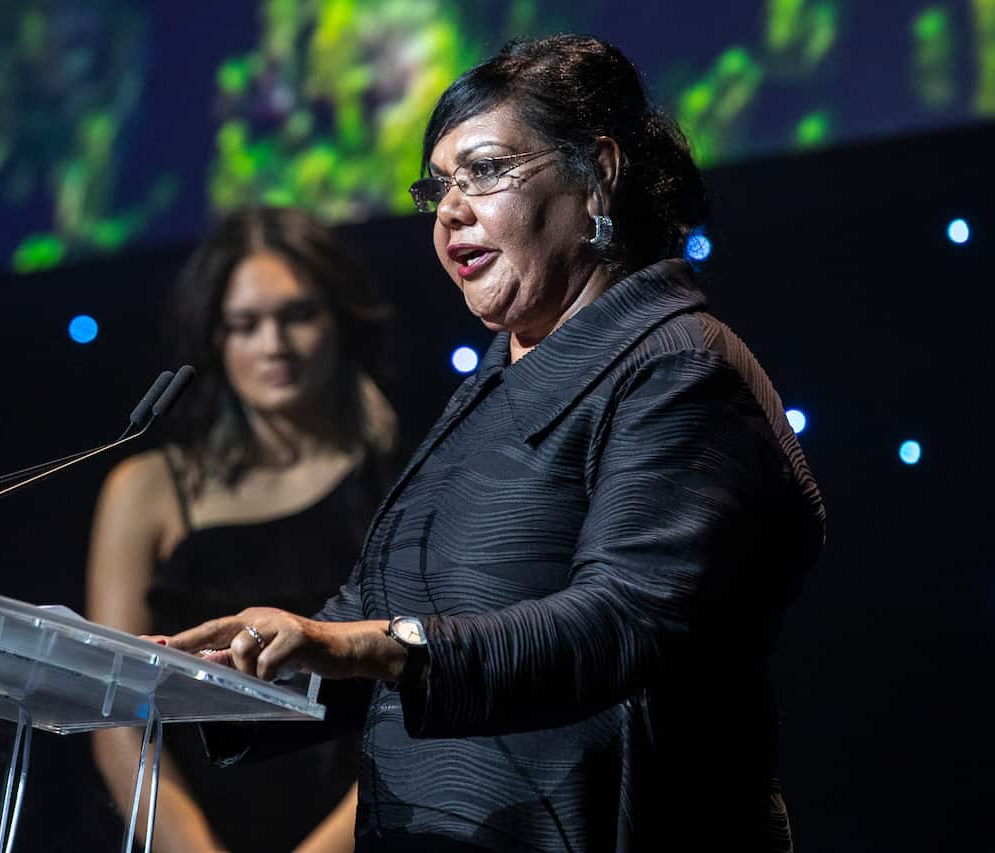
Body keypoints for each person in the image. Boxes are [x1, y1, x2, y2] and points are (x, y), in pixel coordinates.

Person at [167, 35, 825, 852]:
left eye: (483, 171)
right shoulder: (490, 386)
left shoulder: (677, 365)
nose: (448, 210)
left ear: (598, 173)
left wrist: (372, 645)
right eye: (436, 186)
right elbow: (374, 613)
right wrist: (205, 672)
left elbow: (620, 621)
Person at [86, 207, 397, 852]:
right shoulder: (146, 490)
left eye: (297, 316)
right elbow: (115, 718)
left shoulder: (403, 476)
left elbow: (417, 692)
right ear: (214, 341)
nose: (273, 345)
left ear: (338, 319)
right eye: (245, 325)